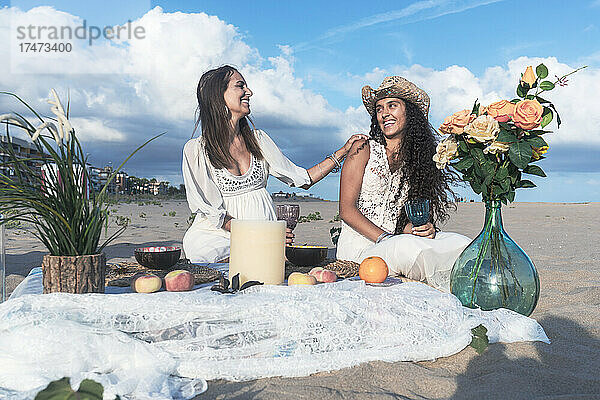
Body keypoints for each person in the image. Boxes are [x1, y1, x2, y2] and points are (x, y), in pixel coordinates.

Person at [182, 65, 367, 263]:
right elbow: (215, 216)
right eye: (240, 86)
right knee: (214, 254)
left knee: (262, 261)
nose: (249, 92)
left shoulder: (259, 140)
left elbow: (303, 179)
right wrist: (264, 234)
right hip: (218, 239)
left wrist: (343, 151)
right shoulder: (197, 150)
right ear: (218, 96)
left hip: (263, 239)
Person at [337, 76, 471, 291]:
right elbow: (346, 210)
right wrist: (385, 239)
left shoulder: (418, 160)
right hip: (361, 249)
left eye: (392, 106)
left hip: (397, 243)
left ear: (410, 112)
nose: (384, 114)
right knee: (408, 248)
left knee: (460, 243)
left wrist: (422, 229)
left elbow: (400, 221)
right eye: (379, 109)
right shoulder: (363, 148)